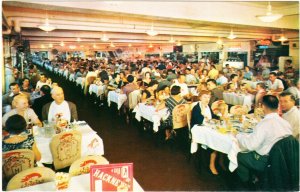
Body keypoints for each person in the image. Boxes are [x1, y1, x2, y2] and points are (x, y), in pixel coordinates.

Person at [235, 95, 292, 183]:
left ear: (263, 106)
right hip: (282, 159)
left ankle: (246, 183)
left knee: (239, 155)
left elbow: (250, 145)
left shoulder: (264, 124)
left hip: (266, 161)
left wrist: (238, 136)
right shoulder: (285, 123)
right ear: (277, 106)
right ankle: (255, 177)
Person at [190, 90, 219, 175]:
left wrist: (219, 117)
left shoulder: (208, 106)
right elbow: (199, 121)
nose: (207, 99)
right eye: (205, 97)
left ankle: (216, 159)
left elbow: (213, 116)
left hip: (208, 128)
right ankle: (211, 163)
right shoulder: (197, 108)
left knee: (218, 135)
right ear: (200, 98)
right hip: (198, 129)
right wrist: (206, 118)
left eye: (209, 97)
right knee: (214, 138)